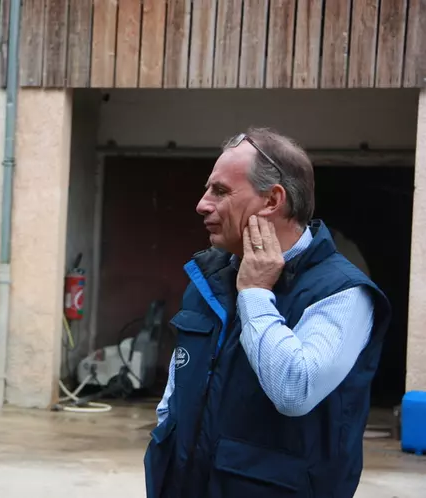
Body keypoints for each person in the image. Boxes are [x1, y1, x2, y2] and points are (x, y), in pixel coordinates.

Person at [144, 128, 391, 498]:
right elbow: (177, 392)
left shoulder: (343, 292)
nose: (201, 204)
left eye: (221, 191)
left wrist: (257, 293)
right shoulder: (208, 277)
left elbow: (295, 390)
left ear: (273, 200)